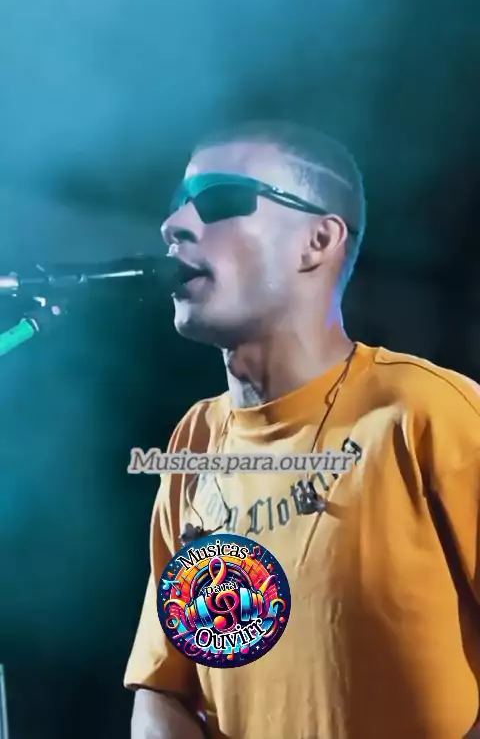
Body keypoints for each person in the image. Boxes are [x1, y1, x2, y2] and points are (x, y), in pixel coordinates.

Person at [124, 121, 480, 739]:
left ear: (317, 240)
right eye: (177, 204)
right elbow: (163, 690)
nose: (174, 225)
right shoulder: (196, 443)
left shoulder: (428, 411)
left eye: (219, 200)